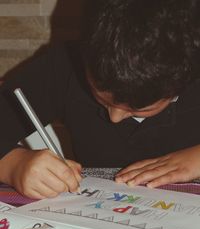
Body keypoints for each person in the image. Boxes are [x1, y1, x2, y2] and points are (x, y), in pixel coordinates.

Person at [0, 0, 200, 199]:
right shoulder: (66, 66)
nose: (114, 117)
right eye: (100, 96)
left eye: (137, 109)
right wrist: (12, 165)